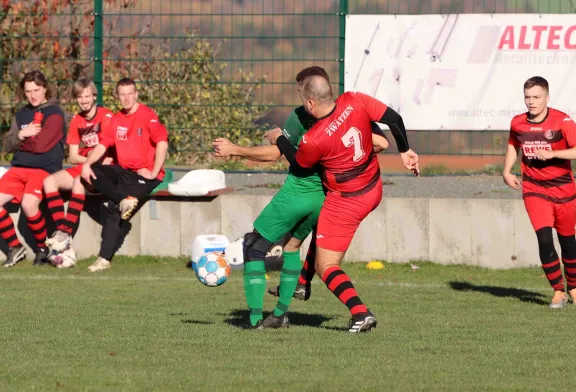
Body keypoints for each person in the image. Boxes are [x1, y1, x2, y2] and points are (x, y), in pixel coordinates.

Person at [213, 67, 390, 329]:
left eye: (301, 90)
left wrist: (234, 149)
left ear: (310, 95)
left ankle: (253, 321)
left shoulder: (300, 118)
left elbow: (277, 154)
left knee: (253, 247)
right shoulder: (348, 110)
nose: (300, 97)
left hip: (298, 192)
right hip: (325, 198)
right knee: (292, 248)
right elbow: (381, 143)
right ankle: (283, 311)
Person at [265, 71, 419, 333]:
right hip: (372, 187)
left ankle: (360, 313)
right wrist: (405, 150)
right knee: (321, 229)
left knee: (326, 265)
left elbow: (299, 166)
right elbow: (395, 119)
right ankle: (302, 283)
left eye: (302, 98)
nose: (302, 103)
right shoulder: (354, 100)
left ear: (311, 103)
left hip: (346, 200)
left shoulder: (316, 138)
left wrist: (278, 137)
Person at [503, 76, 576, 309]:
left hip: (564, 191)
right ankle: (558, 292)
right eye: (527, 97)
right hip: (534, 189)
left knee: (567, 241)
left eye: (536, 97)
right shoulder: (518, 122)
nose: (531, 102)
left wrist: (553, 154)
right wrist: (506, 170)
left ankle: (573, 287)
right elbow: (514, 143)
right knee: (543, 238)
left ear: (547, 98)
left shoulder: (562, 121)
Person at [80, 78, 169, 272]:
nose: (127, 98)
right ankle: (124, 198)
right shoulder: (116, 119)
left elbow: (162, 142)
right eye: (123, 94)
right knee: (93, 172)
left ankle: (104, 259)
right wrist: (86, 164)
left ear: (136, 94)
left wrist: (153, 171)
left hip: (143, 174)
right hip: (123, 170)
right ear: (118, 96)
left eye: (130, 93)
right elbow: (103, 145)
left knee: (113, 208)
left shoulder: (147, 115)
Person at [0, 70, 66, 267]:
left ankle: (42, 248)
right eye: (28, 91)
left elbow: (41, 146)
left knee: (29, 205)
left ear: (45, 88)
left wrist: (21, 141)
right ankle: (15, 247)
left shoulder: (55, 113)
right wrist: (22, 134)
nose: (33, 95)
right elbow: (6, 145)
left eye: (36, 90)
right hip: (19, 168)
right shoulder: (21, 114)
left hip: (43, 169)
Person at [44, 78, 114, 253]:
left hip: (102, 169)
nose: (84, 100)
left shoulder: (106, 116)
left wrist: (93, 159)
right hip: (86, 164)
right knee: (49, 182)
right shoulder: (76, 120)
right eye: (80, 97)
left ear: (94, 96)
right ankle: (62, 232)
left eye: (87, 96)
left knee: (78, 181)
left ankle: (66, 233)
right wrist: (89, 159)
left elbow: (107, 151)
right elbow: (74, 157)